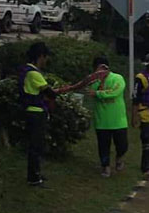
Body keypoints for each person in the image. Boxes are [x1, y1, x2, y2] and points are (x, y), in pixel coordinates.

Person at [19, 42, 95, 186]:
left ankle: (36, 174)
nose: (46, 60)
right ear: (40, 56)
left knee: (38, 145)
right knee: (36, 146)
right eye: (45, 57)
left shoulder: (28, 70)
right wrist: (65, 89)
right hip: (35, 113)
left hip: (34, 112)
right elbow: (50, 93)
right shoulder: (33, 73)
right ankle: (34, 178)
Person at [88, 56, 128, 177]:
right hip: (102, 120)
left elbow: (115, 92)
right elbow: (90, 92)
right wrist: (97, 89)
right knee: (103, 146)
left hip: (118, 120)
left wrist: (98, 93)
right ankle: (105, 167)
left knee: (122, 145)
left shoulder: (117, 78)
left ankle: (119, 158)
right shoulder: (93, 81)